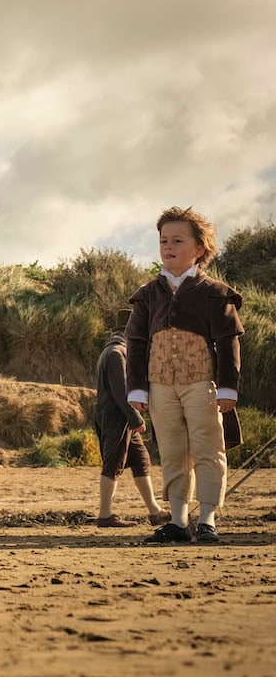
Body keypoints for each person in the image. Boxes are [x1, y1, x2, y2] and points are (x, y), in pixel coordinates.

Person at [127, 206, 244, 545]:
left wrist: (228, 389)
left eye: (178, 240)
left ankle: (206, 519)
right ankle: (178, 521)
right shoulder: (148, 294)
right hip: (159, 386)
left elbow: (228, 344)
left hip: (201, 384)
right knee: (173, 452)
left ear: (200, 248)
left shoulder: (215, 292)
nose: (168, 246)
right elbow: (135, 344)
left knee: (208, 449)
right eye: (164, 240)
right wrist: (137, 389)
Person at [93, 309, 168, 528]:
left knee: (141, 460)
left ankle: (155, 511)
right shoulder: (117, 353)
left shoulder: (112, 350)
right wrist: (136, 419)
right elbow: (120, 392)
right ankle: (105, 515)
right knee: (113, 463)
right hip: (117, 417)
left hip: (117, 416)